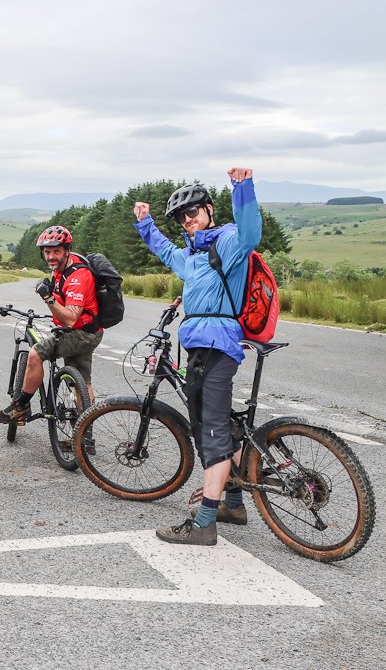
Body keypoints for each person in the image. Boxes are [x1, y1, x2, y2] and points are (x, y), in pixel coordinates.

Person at [134, 167, 261, 546]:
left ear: (209, 209)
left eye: (194, 212)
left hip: (219, 345)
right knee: (218, 426)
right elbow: (162, 248)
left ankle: (205, 523)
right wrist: (145, 223)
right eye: (182, 217)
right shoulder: (191, 256)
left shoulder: (229, 243)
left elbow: (251, 230)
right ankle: (233, 502)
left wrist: (242, 187)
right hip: (198, 348)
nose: (188, 220)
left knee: (212, 432)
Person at [0, 225, 103, 444]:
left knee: (35, 353)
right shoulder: (61, 269)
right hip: (88, 330)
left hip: (80, 333)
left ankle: (21, 405)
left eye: (56, 251)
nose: (51, 256)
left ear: (66, 250)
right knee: (82, 382)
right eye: (47, 252)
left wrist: (47, 297)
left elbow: (70, 318)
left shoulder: (79, 276)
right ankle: (85, 438)